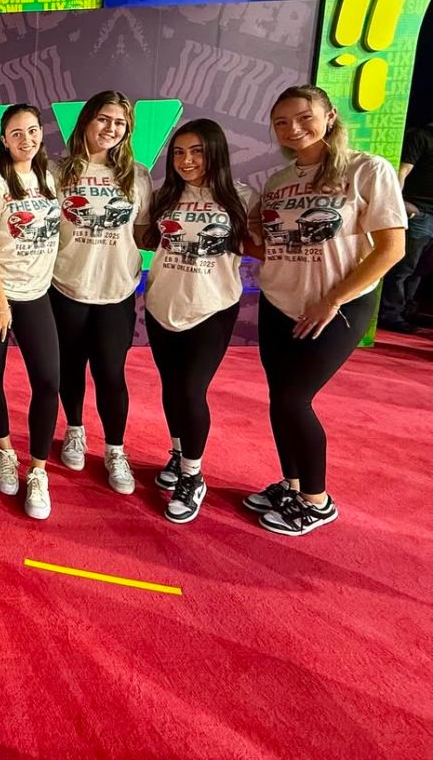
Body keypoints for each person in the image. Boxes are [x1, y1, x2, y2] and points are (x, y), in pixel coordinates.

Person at [248, 84, 406, 536]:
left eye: (302, 117)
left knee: (295, 399)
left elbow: (391, 249)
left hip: (337, 305)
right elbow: (262, 241)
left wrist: (332, 298)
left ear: (329, 115)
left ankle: (317, 502)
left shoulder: (366, 170)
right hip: (279, 301)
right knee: (280, 399)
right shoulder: (279, 181)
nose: (292, 128)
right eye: (281, 122)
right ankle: (294, 485)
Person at [142, 119, 260, 524]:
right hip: (161, 305)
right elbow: (145, 241)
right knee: (172, 389)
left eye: (196, 151)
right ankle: (178, 452)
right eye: (178, 152)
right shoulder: (164, 196)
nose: (187, 160)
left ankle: (193, 476)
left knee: (192, 391)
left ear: (215, 153)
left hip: (211, 308)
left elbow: (262, 246)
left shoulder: (241, 198)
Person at [50, 90, 153, 494]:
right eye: (103, 119)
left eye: (120, 123)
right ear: (86, 121)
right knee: (70, 369)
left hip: (116, 291)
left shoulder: (137, 175)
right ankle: (74, 430)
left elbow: (143, 233)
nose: (111, 129)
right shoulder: (58, 173)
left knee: (111, 374)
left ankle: (115, 449)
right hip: (66, 285)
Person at [0, 105, 62, 519]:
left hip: (36, 293)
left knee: (48, 380)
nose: (26, 139)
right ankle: (5, 451)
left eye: (33, 130)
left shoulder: (50, 178)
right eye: (16, 133)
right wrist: (1, 304)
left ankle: (38, 471)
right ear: (3, 140)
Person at [378, 120, 433, 333]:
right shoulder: (421, 136)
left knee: (422, 268)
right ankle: (390, 313)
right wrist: (399, 204)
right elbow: (402, 172)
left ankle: (406, 310)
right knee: (404, 267)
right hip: (418, 210)